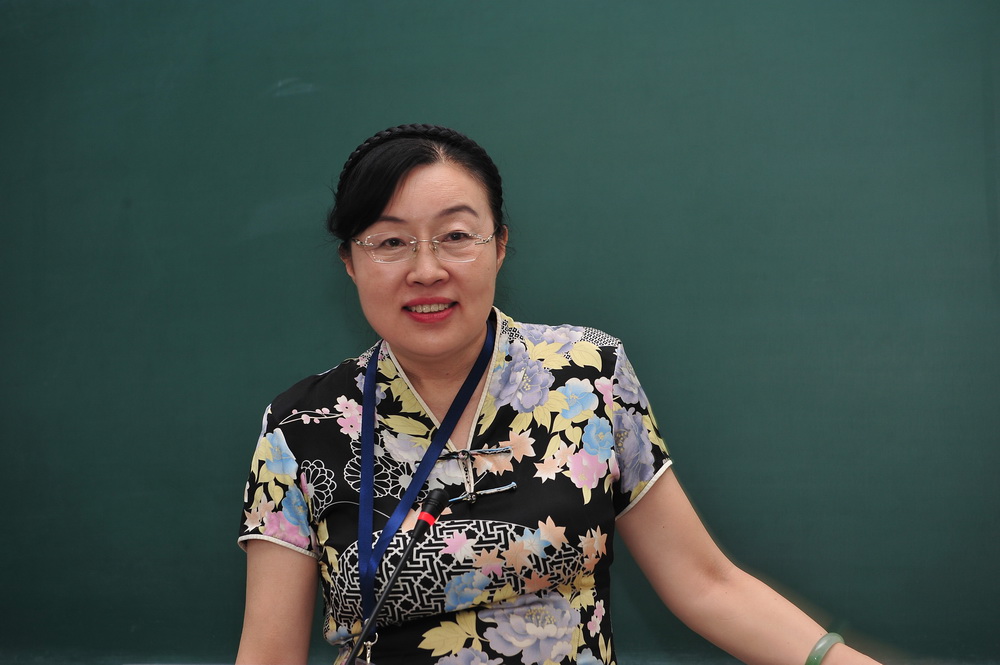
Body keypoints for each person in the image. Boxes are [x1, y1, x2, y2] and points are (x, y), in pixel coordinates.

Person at [236, 124, 881, 665]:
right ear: (349, 262)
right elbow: (269, 652)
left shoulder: (588, 375)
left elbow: (706, 584)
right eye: (389, 242)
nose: (426, 269)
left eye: (456, 236)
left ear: (500, 246)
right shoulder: (300, 426)